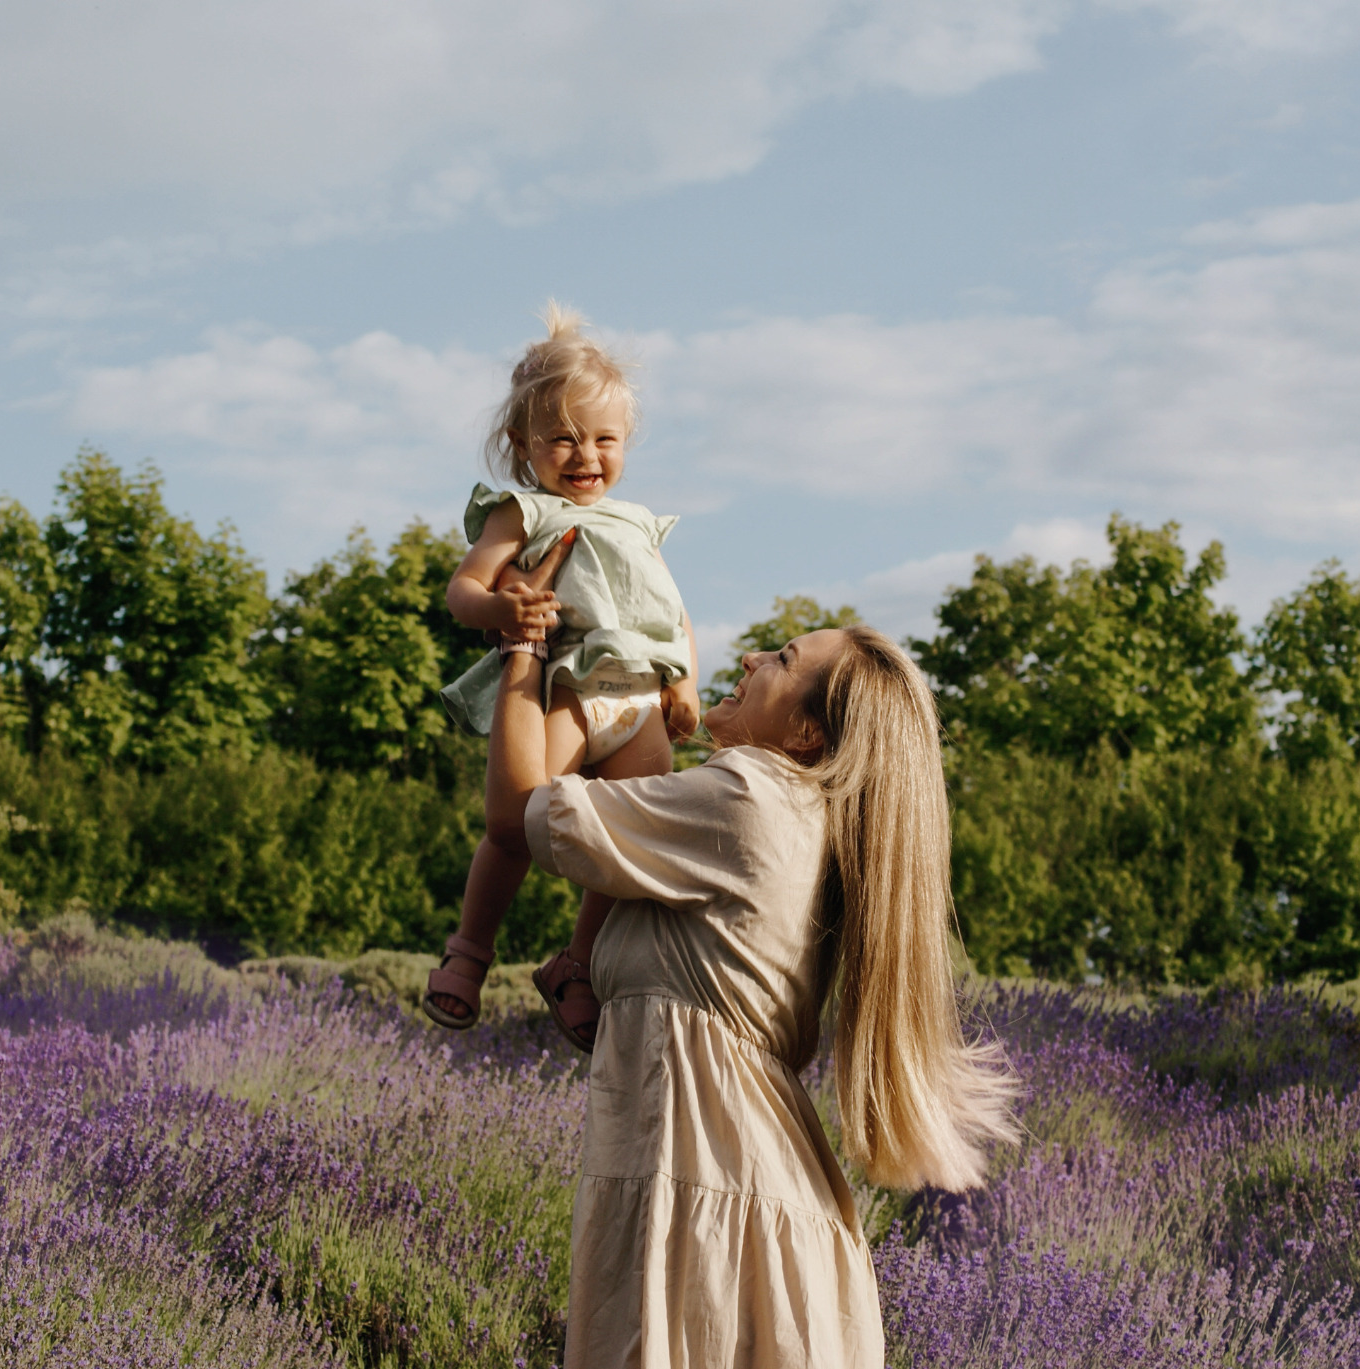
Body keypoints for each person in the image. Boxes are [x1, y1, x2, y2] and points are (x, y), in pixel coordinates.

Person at [483, 599, 1019, 1366]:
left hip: (711, 1210)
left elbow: (518, 815)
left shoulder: (751, 795)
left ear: (806, 733)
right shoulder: (799, 817)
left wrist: (522, 651)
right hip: (744, 1206)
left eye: (783, 659)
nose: (750, 659)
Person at [423, 305, 701, 1050]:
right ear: (523, 444)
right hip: (572, 691)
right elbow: (463, 590)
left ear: (625, 442)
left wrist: (686, 682)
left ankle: (576, 964)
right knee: (520, 822)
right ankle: (469, 951)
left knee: (632, 841)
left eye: (604, 438)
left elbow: (675, 611)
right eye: (563, 438)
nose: (586, 455)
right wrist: (501, 606)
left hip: (640, 702)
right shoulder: (526, 512)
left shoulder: (638, 522)